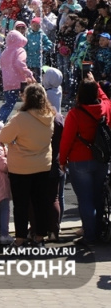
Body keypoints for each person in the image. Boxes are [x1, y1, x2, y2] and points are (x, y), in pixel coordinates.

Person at [0, 83, 55, 247]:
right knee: (40, 202)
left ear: (26, 98)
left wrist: (15, 142)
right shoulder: (49, 116)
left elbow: (3, 137)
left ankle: (20, 238)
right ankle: (40, 237)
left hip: (20, 167)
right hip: (43, 164)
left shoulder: (21, 118)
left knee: (20, 204)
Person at [58, 78, 111, 247]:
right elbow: (106, 100)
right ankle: (99, 229)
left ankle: (90, 235)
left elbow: (67, 139)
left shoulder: (75, 113)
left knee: (85, 199)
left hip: (79, 160)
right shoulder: (105, 108)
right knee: (98, 196)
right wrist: (96, 84)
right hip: (101, 158)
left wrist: (62, 160)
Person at [0, 24, 34, 122]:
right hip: (20, 81)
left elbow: (1, 64)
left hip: (7, 82)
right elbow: (19, 63)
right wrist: (29, 73)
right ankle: (26, 122)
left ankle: (0, 121)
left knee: (9, 103)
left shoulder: (5, 51)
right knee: (28, 102)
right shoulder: (20, 50)